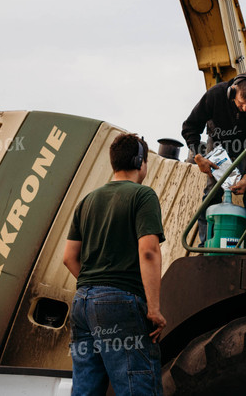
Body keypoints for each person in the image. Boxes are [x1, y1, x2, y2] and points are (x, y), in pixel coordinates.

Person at [63, 133, 166, 396]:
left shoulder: (87, 201)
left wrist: (95, 289)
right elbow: (149, 252)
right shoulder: (143, 196)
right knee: (137, 388)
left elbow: (69, 257)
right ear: (140, 161)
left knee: (85, 389)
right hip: (120, 305)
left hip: (82, 304)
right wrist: (153, 309)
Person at [182, 71, 246, 248]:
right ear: (232, 93)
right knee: (212, 192)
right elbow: (190, 126)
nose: (245, 108)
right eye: (241, 103)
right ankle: (206, 244)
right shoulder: (215, 95)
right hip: (218, 144)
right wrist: (198, 156)